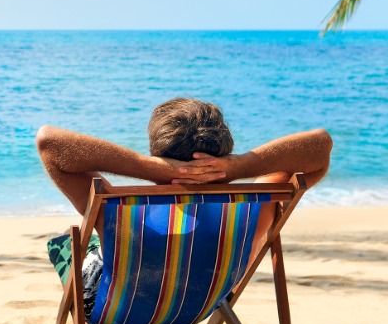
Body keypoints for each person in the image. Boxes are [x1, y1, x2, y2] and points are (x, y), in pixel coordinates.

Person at [35, 97, 330, 306]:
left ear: (157, 153)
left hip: (116, 311)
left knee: (66, 240)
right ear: (226, 151)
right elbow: (320, 146)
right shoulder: (255, 205)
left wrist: (149, 168)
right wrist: (237, 167)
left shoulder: (120, 212)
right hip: (204, 305)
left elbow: (49, 142)